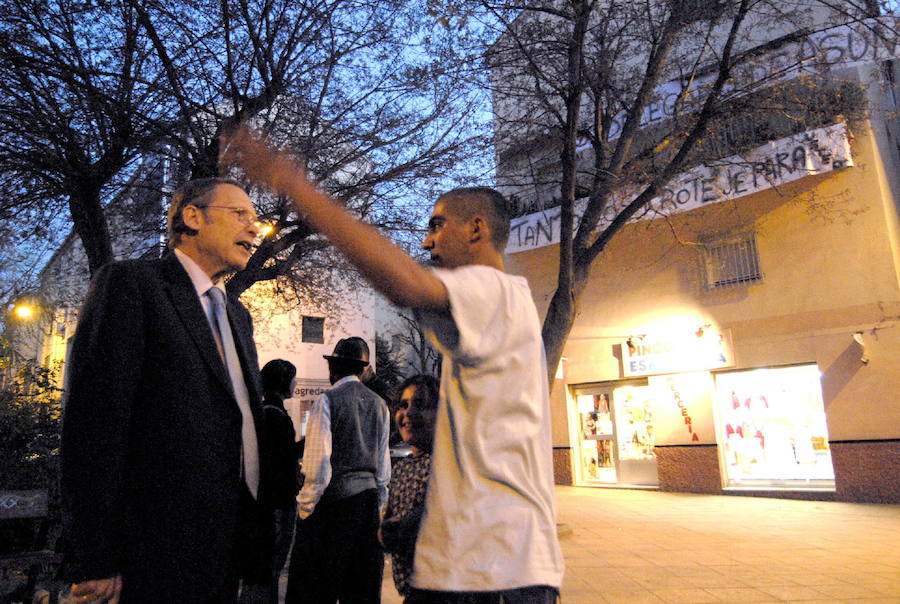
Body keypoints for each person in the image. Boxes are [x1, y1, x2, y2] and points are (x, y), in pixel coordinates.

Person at [223, 129, 564, 602]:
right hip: (482, 567)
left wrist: (296, 186)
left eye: (437, 225)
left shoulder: (495, 290)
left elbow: (405, 284)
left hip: (491, 571)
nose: (426, 242)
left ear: (477, 229)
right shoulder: (501, 310)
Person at [59, 177, 271, 603]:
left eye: (257, 219)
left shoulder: (237, 313)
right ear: (192, 217)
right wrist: (96, 557)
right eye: (240, 214)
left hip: (223, 550)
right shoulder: (131, 286)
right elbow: (94, 425)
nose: (255, 229)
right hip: (150, 554)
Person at [286, 337, 391, 604]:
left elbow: (318, 462)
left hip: (335, 506)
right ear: (363, 370)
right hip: (367, 505)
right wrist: (377, 504)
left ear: (333, 369)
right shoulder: (380, 404)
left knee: (319, 588)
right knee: (361, 590)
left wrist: (306, 507)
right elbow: (382, 465)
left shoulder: (327, 399)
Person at [381, 374, 440, 601]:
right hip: (411, 588)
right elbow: (390, 522)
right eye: (403, 405)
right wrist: (384, 533)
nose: (407, 414)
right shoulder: (402, 469)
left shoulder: (447, 466)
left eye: (419, 405)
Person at [257, 359, 302, 603]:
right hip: (278, 502)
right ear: (284, 381)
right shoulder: (275, 415)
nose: (295, 383)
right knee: (272, 565)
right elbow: (284, 455)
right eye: (293, 377)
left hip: (270, 499)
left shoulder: (266, 412)